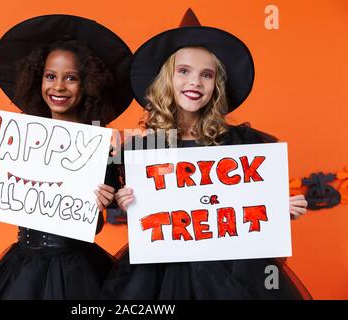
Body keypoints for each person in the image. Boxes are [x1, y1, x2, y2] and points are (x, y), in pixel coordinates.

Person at [102, 9, 312, 299]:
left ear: (216, 85)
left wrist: (279, 211)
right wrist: (127, 205)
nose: (195, 82)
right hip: (158, 275)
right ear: (167, 78)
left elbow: (248, 209)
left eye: (207, 74)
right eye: (184, 71)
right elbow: (136, 213)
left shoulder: (243, 144)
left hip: (230, 271)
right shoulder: (141, 150)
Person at [0, 14, 133, 300]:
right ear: (37, 78)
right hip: (22, 264)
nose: (58, 87)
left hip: (74, 269)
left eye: (71, 78)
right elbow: (7, 196)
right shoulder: (20, 136)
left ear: (88, 84)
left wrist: (100, 205)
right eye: (50, 76)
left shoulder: (99, 143)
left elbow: (92, 227)